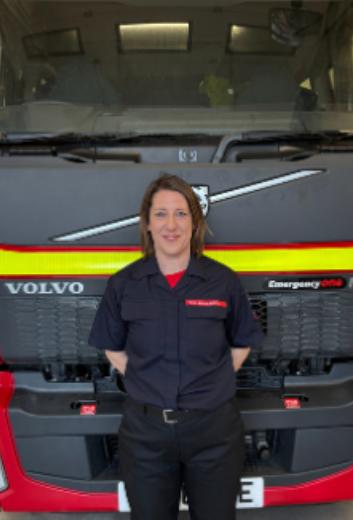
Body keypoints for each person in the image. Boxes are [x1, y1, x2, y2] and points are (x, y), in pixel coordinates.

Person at [88, 173, 265, 520]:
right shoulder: (124, 284)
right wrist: (143, 378)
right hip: (145, 434)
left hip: (214, 431)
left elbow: (243, 341)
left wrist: (210, 378)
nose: (171, 225)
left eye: (181, 214)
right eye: (161, 214)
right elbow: (112, 348)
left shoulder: (223, 281)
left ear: (195, 224)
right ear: (147, 224)